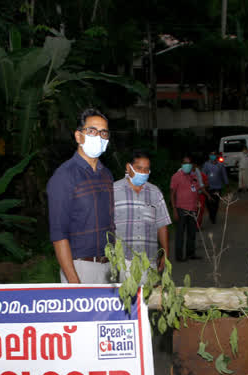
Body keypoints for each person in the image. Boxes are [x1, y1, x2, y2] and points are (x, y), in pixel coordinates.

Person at [47, 108, 114, 284]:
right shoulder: (64, 176)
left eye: (103, 133)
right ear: (79, 136)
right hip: (80, 268)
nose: (98, 137)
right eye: (92, 131)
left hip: (108, 266)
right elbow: (58, 234)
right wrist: (73, 281)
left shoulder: (106, 175)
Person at [113, 150, 171, 281]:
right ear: (129, 167)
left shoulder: (155, 192)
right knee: (126, 298)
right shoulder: (113, 190)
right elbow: (106, 225)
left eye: (146, 170)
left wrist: (165, 254)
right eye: (139, 168)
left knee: (148, 299)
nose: (143, 173)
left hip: (149, 260)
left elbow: (162, 225)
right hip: (123, 260)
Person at [170, 156, 205, 261]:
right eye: (185, 163)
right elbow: (172, 194)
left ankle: (191, 254)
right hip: (181, 208)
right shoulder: (176, 176)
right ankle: (179, 256)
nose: (187, 165)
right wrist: (174, 210)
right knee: (180, 233)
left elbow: (197, 190)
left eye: (189, 163)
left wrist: (198, 202)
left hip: (193, 208)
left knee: (192, 233)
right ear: (181, 165)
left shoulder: (193, 176)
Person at [203, 151, 229, 224]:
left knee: (216, 202)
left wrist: (226, 183)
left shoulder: (220, 165)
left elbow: (224, 174)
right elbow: (203, 175)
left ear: (217, 156)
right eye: (211, 154)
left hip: (218, 187)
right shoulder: (206, 164)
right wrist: (203, 184)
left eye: (214, 154)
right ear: (209, 156)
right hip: (208, 187)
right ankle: (211, 214)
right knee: (208, 203)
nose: (213, 156)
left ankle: (213, 216)